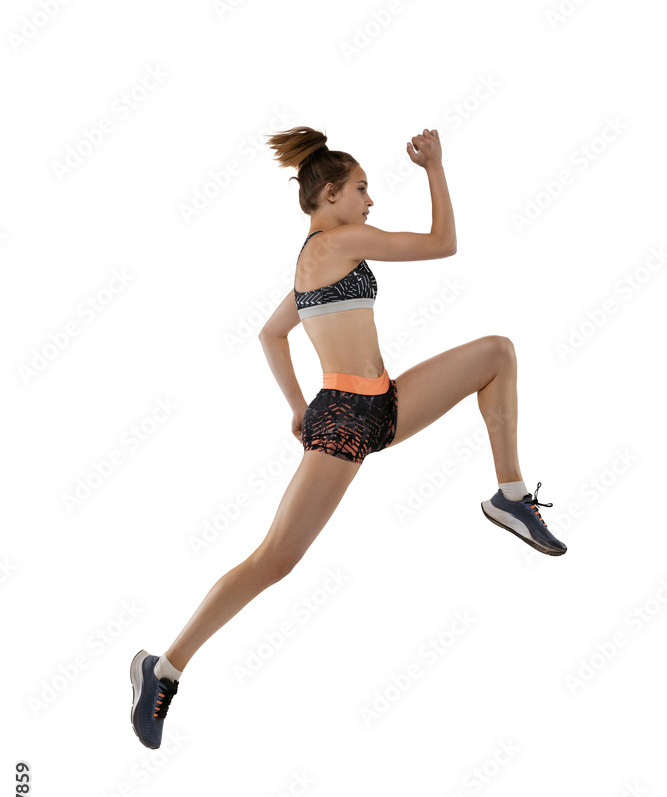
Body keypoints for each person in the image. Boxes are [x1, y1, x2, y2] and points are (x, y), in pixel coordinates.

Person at [130, 126, 566, 749]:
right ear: (330, 194)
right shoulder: (338, 242)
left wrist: (296, 407)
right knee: (274, 560)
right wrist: (435, 168)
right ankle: (163, 668)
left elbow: (272, 333)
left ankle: (511, 496)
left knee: (497, 353)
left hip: (381, 405)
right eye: (362, 188)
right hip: (345, 423)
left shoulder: (316, 263)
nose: (369, 200)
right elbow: (444, 243)